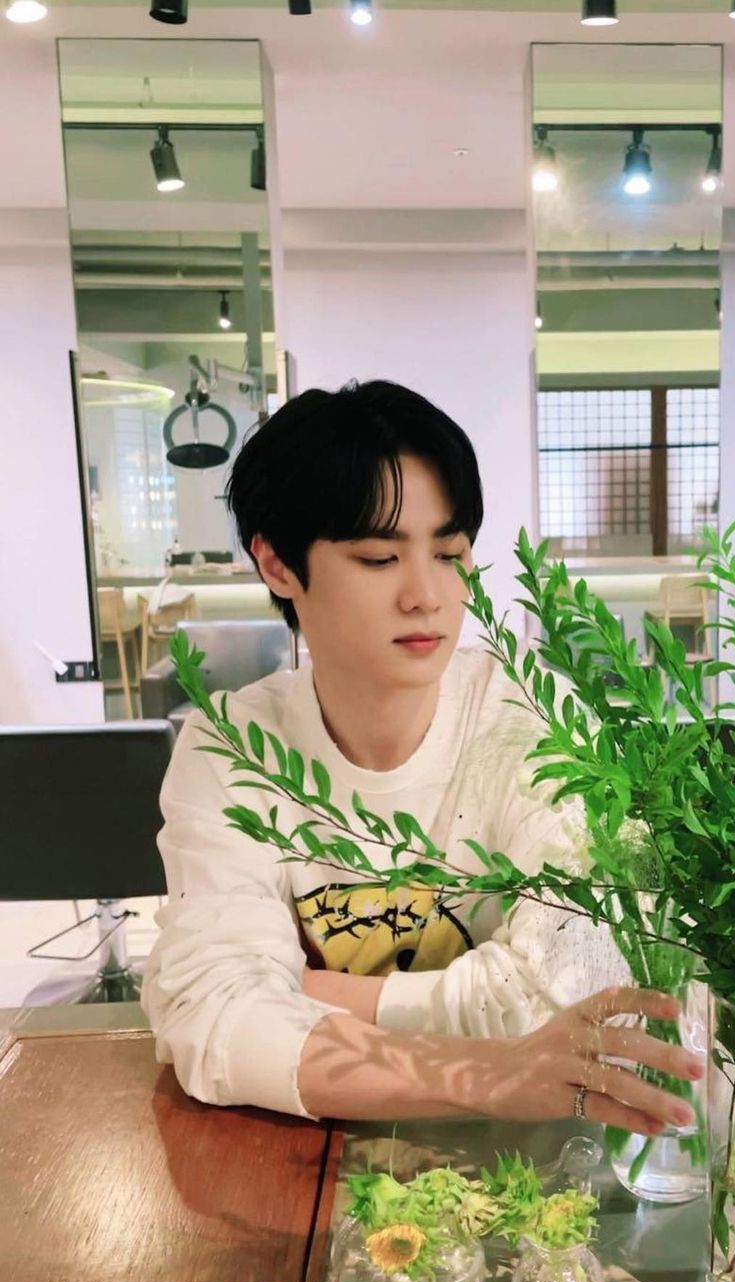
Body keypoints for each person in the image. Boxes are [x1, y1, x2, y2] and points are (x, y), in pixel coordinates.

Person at [142, 380, 703, 1130]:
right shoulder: (231, 749)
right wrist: (488, 1069)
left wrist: (309, 993)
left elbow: (576, 986)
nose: (427, 596)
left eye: (449, 553)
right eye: (378, 558)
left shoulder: (534, 719)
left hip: (541, 1167)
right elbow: (212, 1019)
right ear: (277, 565)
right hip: (308, 1154)